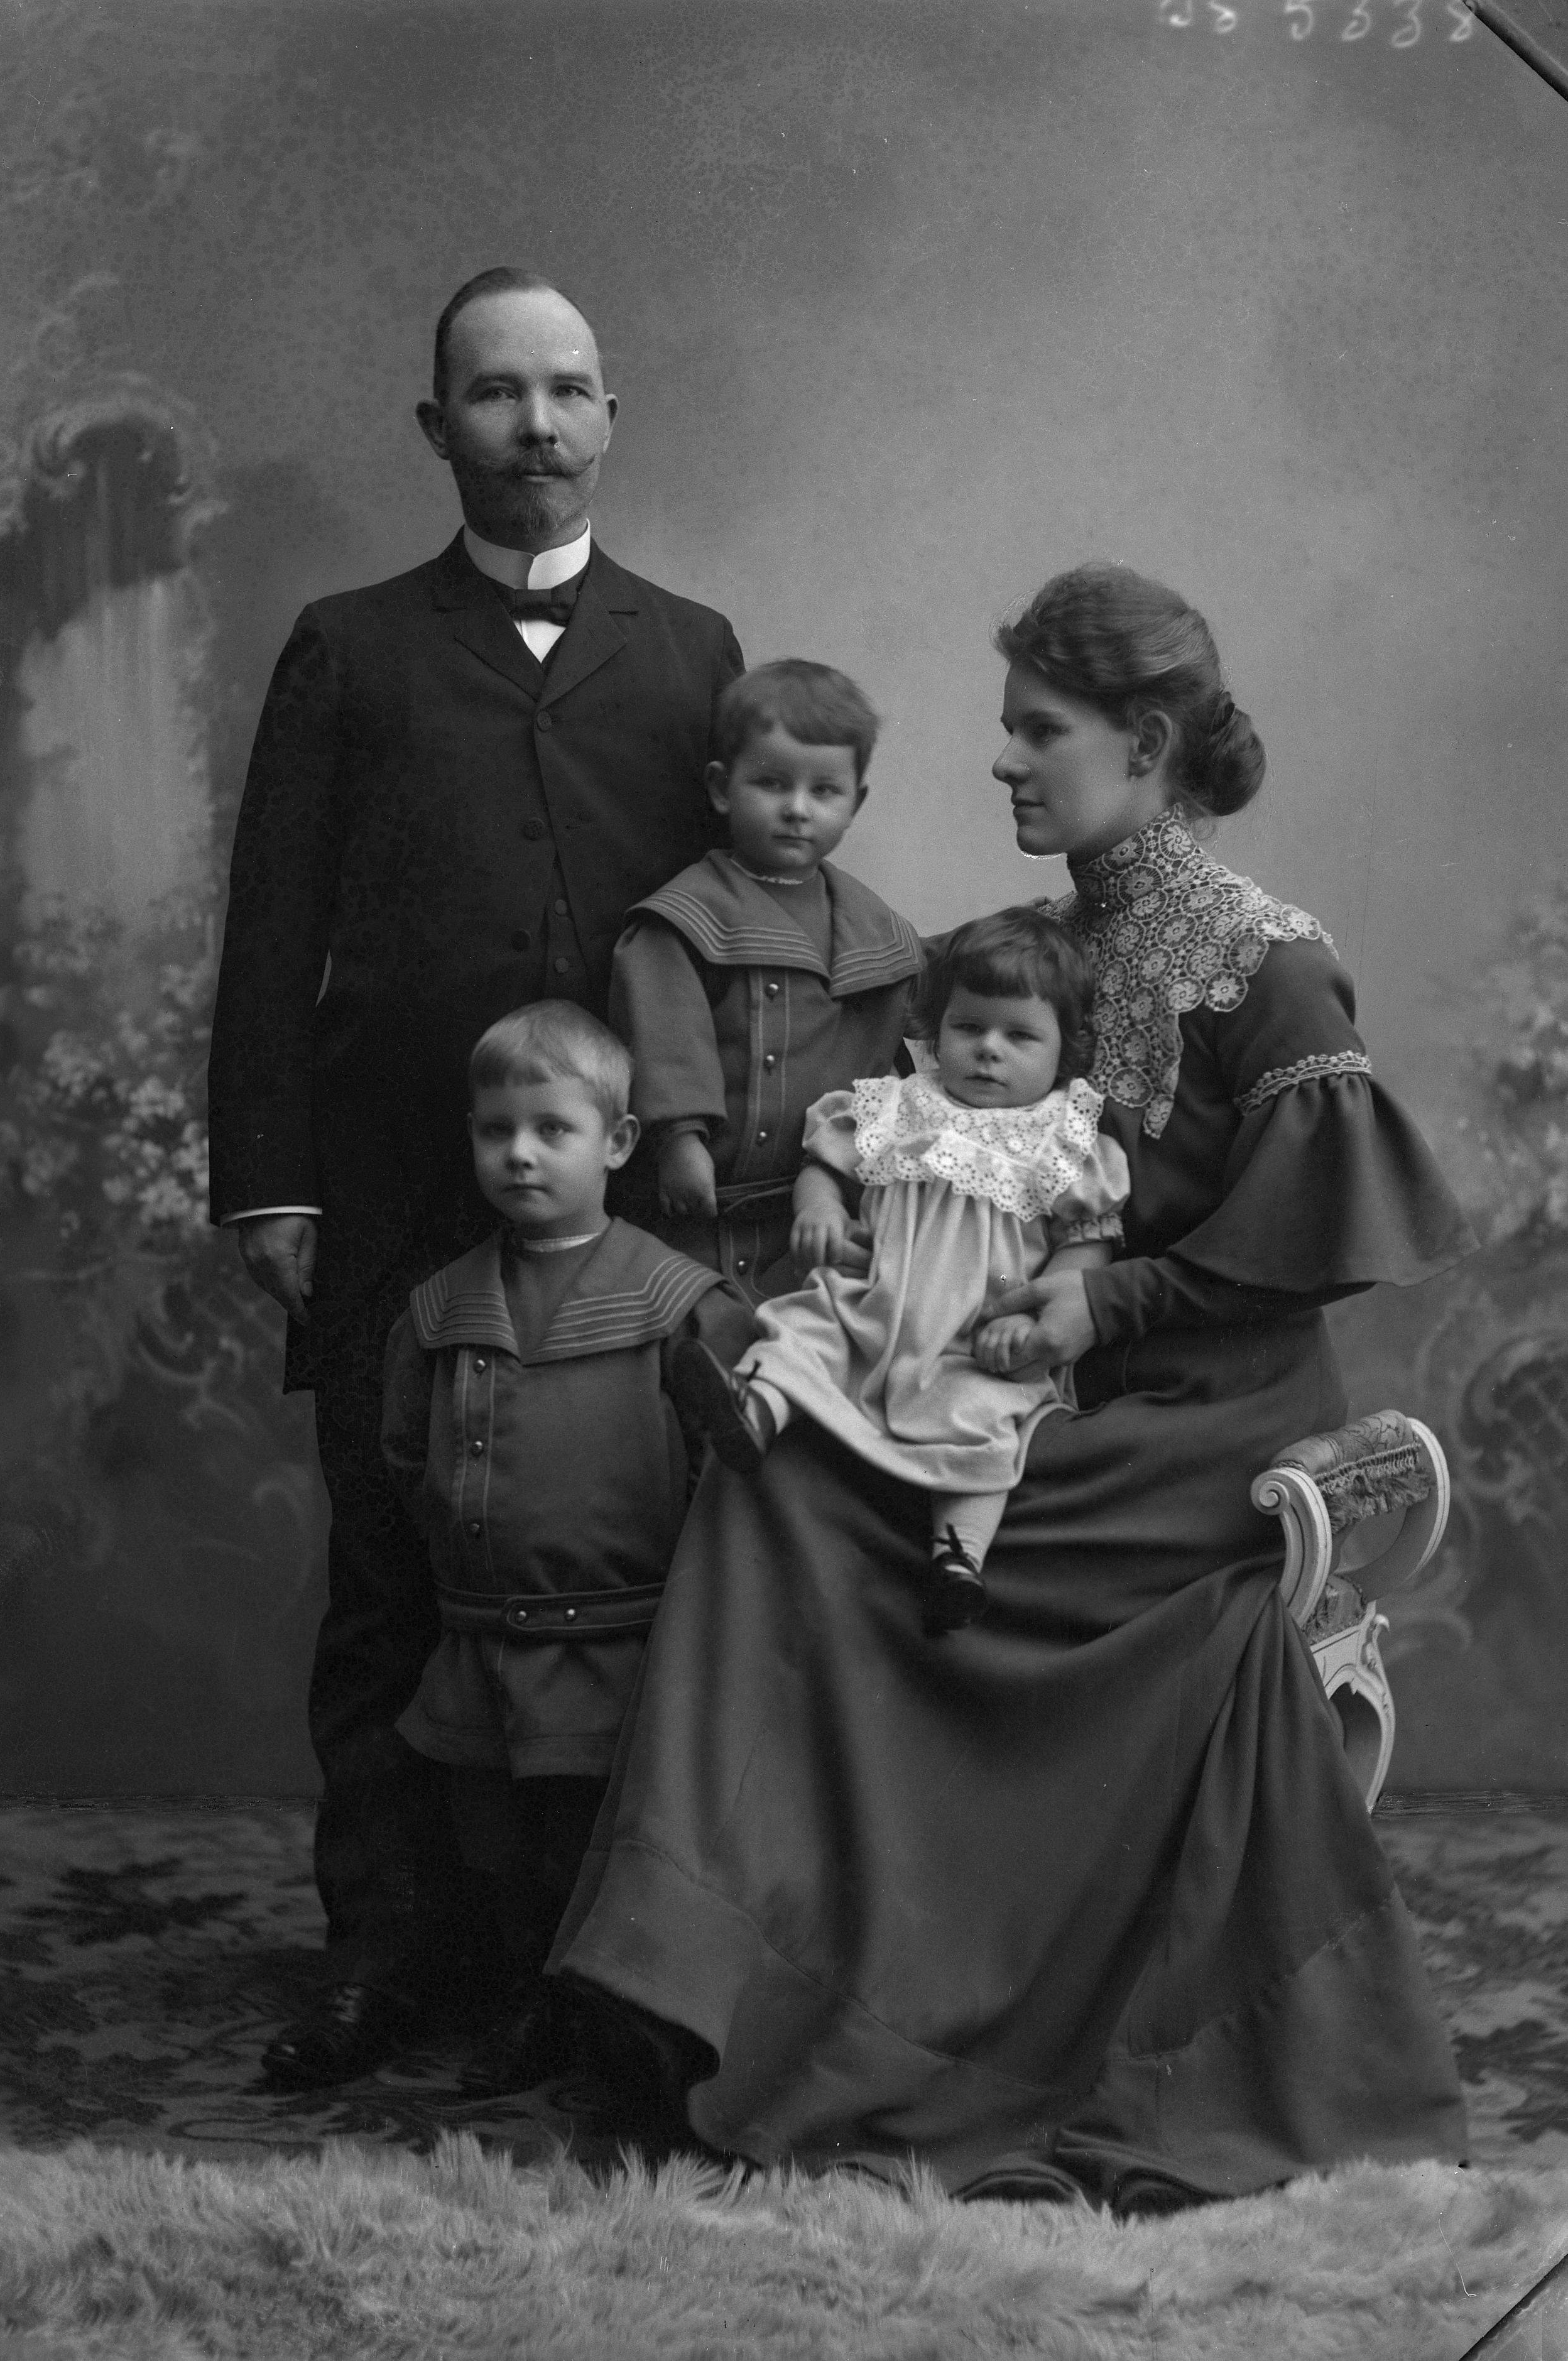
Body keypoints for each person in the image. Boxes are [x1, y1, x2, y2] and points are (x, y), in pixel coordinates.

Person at [549, 563, 1474, 2211]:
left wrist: (1101, 1302)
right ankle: (693, 1979)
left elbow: (1299, 1249)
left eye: (1035, 730)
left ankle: (903, 2019)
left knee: (834, 1501)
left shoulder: (1265, 966)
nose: (1001, 761)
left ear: (1145, 743)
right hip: (1029, 1378)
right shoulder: (1037, 949)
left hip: (1199, 1415)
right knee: (779, 1476)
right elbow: (901, 1126)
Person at [205, 266, 743, 2090]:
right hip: (392, 1183)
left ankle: (599, 1959)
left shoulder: (691, 650)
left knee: (619, 1570)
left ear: (613, 417)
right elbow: (271, 924)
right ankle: (382, 1951)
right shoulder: (349, 647)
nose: (537, 424)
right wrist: (271, 1181)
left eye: (568, 389)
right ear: (438, 427)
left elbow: (745, 918)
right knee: (392, 1566)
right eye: (499, 393)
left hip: (625, 1212)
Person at [378, 1003, 753, 2082]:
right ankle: (523, 2007)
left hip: (622, 1640)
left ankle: (606, 2025)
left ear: (619, 1142)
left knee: (589, 1840)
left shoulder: (679, 1302)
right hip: (483, 1638)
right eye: (498, 1130)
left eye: (553, 1129)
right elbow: (407, 1454)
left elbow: (726, 1472)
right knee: (494, 1843)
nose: (521, 1153)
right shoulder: (441, 1309)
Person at [673, 908, 1129, 1635]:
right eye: (968, 1026)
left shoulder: (1064, 1138)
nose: (987, 1049)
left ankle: (959, 1557)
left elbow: (1086, 1243)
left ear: (1065, 1050)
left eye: (1018, 1036)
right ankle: (751, 1414)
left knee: (985, 1418)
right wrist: (819, 1209)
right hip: (871, 1303)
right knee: (802, 1331)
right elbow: (824, 1165)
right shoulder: (897, 1104)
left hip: (975, 1334)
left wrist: (1028, 1318)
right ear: (936, 1029)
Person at [609, 660, 922, 1304]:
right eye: (771, 783)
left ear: (855, 802)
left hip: (823, 1199)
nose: (797, 810)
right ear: (722, 788)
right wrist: (679, 1138)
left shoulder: (873, 928)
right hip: (705, 1199)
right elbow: (666, 1035)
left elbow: (891, 1037)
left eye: (824, 791)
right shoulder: (684, 918)